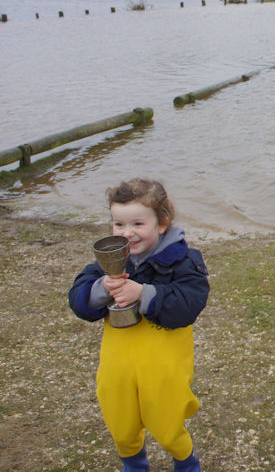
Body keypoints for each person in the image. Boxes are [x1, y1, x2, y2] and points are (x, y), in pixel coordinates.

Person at [68, 178, 209, 472]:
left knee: (166, 419)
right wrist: (100, 288)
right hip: (117, 360)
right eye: (119, 225)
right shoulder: (108, 264)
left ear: (162, 223)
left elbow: (190, 303)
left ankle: (186, 462)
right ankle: (133, 464)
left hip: (163, 362)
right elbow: (78, 300)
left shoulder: (183, 260)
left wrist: (144, 294)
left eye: (137, 224)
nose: (127, 233)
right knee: (119, 417)